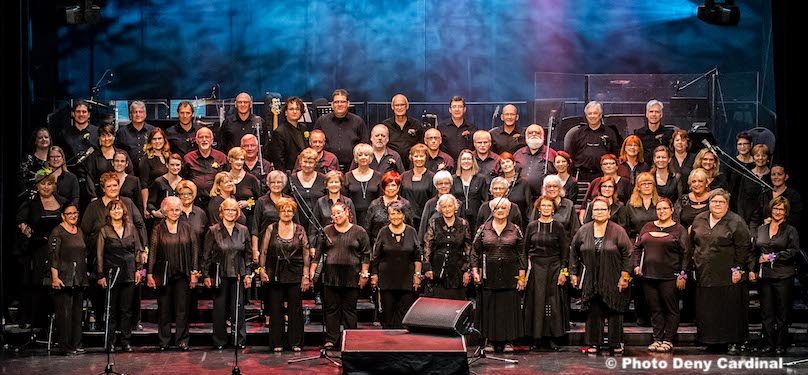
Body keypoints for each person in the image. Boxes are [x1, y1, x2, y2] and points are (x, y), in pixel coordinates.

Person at [689, 189, 752, 355]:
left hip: (728, 273)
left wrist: (738, 269)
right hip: (705, 272)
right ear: (709, 203)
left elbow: (744, 247)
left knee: (729, 309)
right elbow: (692, 243)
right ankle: (712, 341)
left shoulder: (736, 221)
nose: (717, 205)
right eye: (714, 201)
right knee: (708, 309)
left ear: (727, 204)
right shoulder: (699, 219)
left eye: (721, 202)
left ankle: (733, 342)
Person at [570, 196, 632, 354]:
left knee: (614, 310)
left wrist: (625, 277)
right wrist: (573, 273)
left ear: (609, 212)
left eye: (602, 209)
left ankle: (615, 343)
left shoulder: (618, 230)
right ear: (591, 212)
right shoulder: (584, 230)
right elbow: (574, 252)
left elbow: (628, 254)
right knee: (593, 310)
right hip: (591, 278)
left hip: (613, 277)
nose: (599, 212)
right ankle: (593, 343)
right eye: (596, 209)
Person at [309, 202, 370, 349]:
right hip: (331, 277)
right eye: (333, 214)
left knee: (349, 310)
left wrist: (364, 274)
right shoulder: (326, 230)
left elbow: (366, 255)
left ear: (347, 212)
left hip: (351, 276)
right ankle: (331, 339)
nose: (336, 216)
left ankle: (351, 338)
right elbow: (318, 253)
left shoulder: (359, 231)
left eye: (339, 213)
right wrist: (312, 269)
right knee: (331, 309)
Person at [632, 198, 690, 353]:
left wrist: (683, 274)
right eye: (659, 209)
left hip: (670, 276)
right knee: (655, 309)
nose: (662, 211)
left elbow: (686, 254)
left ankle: (668, 339)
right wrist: (636, 265)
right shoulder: (647, 226)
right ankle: (657, 339)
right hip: (649, 276)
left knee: (670, 309)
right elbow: (637, 248)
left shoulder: (679, 229)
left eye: (665, 208)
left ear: (672, 210)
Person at [471, 198, 525, 353]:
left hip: (510, 276)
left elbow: (522, 254)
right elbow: (474, 252)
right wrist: (475, 271)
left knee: (508, 308)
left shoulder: (515, 229)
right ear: (492, 211)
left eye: (503, 208)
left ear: (508, 211)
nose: (500, 210)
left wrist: (521, 278)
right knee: (489, 308)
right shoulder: (483, 229)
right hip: (489, 276)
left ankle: (508, 340)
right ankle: (490, 341)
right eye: (497, 208)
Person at [147, 196, 200, 351]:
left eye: (177, 209)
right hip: (163, 274)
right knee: (164, 308)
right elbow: (153, 251)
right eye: (171, 209)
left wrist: (194, 272)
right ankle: (164, 340)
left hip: (183, 274)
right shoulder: (158, 228)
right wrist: (149, 273)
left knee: (182, 309)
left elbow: (195, 250)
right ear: (164, 210)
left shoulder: (187, 227)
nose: (175, 212)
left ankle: (182, 340)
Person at [260, 197, 311, 352]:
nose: (286, 213)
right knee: (276, 310)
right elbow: (264, 251)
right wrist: (261, 269)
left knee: (295, 310)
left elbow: (306, 253)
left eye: (289, 210)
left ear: (293, 212)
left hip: (295, 273)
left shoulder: (300, 229)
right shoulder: (271, 228)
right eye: (283, 210)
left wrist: (306, 275)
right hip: (275, 271)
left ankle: (295, 342)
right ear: (279, 212)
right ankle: (277, 343)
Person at [16, 171, 66, 330]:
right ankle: (36, 321)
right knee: (38, 284)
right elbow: (21, 223)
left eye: (49, 183)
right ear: (37, 186)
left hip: (59, 249)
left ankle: (56, 323)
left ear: (54, 185)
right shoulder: (31, 203)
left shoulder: (62, 202)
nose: (46, 186)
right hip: (38, 249)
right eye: (43, 183)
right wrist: (34, 235)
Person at [95, 199, 145, 352]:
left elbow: (137, 250)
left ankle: (125, 341)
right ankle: (110, 341)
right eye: (113, 209)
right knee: (111, 309)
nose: (116, 211)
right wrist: (101, 275)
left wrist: (138, 269)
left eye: (119, 209)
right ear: (109, 213)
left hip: (129, 273)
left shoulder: (131, 228)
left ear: (124, 211)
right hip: (112, 274)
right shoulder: (104, 230)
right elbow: (100, 254)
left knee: (126, 310)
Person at [202, 198, 252, 350]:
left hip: (238, 273)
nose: (230, 213)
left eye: (233, 210)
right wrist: (205, 275)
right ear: (221, 212)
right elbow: (206, 255)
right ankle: (220, 341)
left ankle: (239, 339)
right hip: (220, 274)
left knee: (238, 307)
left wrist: (248, 274)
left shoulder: (243, 230)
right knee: (220, 308)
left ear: (238, 213)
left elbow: (248, 255)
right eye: (227, 210)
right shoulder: (213, 230)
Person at [752, 196, 800, 355]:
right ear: (771, 209)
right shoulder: (761, 229)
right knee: (766, 311)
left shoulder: (790, 230)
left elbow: (793, 251)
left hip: (783, 276)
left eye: (781, 209)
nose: (778, 212)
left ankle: (781, 343)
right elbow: (755, 251)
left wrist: (772, 257)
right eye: (776, 208)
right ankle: (768, 343)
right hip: (765, 276)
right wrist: (753, 268)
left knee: (782, 311)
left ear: (786, 212)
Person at [523, 195, 569, 351]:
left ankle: (551, 338)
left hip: (554, 267)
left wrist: (564, 272)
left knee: (552, 303)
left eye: (549, 206)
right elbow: (524, 251)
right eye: (544, 206)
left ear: (553, 208)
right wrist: (523, 273)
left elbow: (565, 252)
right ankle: (536, 338)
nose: (546, 208)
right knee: (536, 302)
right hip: (536, 267)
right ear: (539, 208)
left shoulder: (559, 227)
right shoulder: (532, 226)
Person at [370, 201, 422, 329]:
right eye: (392, 214)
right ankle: (388, 343)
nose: (395, 217)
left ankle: (403, 343)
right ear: (388, 216)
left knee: (405, 312)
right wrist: (374, 274)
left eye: (399, 214)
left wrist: (417, 275)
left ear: (404, 215)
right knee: (387, 311)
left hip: (406, 279)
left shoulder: (411, 231)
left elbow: (417, 256)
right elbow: (376, 256)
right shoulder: (383, 231)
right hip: (387, 279)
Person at [48, 203, 88, 355]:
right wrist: (55, 277)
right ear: (63, 216)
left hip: (78, 277)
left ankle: (76, 343)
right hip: (63, 277)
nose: (73, 215)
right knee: (64, 314)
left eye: (75, 213)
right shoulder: (57, 232)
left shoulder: (79, 231)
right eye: (69, 213)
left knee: (77, 313)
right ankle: (65, 346)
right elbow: (54, 256)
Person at [423, 194, 472, 300]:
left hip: (457, 272)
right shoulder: (434, 223)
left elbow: (468, 248)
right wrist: (427, 267)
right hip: (437, 272)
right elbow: (428, 246)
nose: (447, 209)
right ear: (440, 209)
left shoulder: (463, 224)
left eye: (450, 206)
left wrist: (467, 271)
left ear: (455, 207)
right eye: (444, 207)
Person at [314, 89, 369, 170]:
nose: (339, 104)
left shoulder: (358, 121)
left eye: (342, 102)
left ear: (348, 104)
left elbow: (365, 144)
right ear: (332, 104)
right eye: (336, 102)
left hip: (352, 167)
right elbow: (314, 143)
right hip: (326, 167)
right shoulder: (322, 121)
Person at [568, 101, 622, 183]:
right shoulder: (578, 133)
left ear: (600, 115)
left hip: (604, 175)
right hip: (581, 176)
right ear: (586, 116)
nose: (592, 116)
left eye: (595, 113)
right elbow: (571, 155)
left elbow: (615, 154)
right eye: (589, 114)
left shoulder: (610, 132)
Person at [363, 171, 414, 249]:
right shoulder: (374, 204)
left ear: (398, 186)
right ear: (383, 187)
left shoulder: (405, 204)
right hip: (378, 249)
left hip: (402, 248)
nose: (390, 188)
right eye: (387, 185)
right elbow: (367, 230)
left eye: (393, 185)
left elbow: (410, 229)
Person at [252, 170, 293, 262]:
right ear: (268, 184)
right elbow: (255, 228)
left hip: (286, 246)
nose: (276, 185)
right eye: (272, 182)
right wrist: (255, 250)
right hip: (265, 246)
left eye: (279, 182)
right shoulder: (261, 201)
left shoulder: (290, 200)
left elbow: (297, 225)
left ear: (284, 184)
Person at [84, 124, 131, 200]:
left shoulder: (122, 154)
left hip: (122, 196)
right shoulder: (93, 156)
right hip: (100, 196)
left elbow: (130, 173)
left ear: (114, 137)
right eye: (103, 136)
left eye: (109, 135)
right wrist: (93, 196)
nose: (106, 139)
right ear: (99, 138)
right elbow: (89, 178)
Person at [183, 126, 227, 206]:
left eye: (207, 137)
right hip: (194, 202)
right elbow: (183, 180)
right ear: (196, 140)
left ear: (212, 140)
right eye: (201, 137)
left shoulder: (221, 157)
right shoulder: (188, 158)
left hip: (216, 201)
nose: (204, 140)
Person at [289, 148, 327, 236]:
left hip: (319, 223)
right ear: (300, 162)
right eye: (305, 161)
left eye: (310, 162)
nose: (307, 165)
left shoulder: (323, 179)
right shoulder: (291, 179)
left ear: (315, 164)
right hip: (296, 222)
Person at [219, 92, 269, 157]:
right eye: (240, 102)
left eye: (245, 102)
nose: (242, 104)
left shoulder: (259, 121)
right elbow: (222, 145)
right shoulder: (228, 122)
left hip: (253, 164)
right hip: (233, 164)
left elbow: (265, 145)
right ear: (235, 104)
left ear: (250, 104)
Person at [514, 124, 557, 196]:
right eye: (530, 133)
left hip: (544, 199)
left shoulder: (551, 154)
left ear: (543, 136)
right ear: (526, 137)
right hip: (521, 198)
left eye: (537, 133)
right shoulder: (518, 154)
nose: (534, 134)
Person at [382, 93, 424, 169]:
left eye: (402, 105)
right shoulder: (385, 125)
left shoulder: (416, 124)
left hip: (413, 164)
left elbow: (422, 144)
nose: (399, 108)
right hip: (390, 165)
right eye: (397, 105)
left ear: (407, 106)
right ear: (392, 107)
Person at [400, 144, 435, 231]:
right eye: (416, 156)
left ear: (426, 157)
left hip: (425, 219)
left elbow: (434, 200)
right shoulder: (404, 176)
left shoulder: (432, 177)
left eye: (421, 156)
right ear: (411, 157)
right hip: (405, 220)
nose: (419, 159)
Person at [452, 149, 489, 230]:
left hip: (477, 217)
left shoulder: (481, 179)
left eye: (469, 159)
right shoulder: (453, 179)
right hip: (458, 218)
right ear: (459, 161)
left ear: (473, 161)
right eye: (464, 159)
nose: (466, 161)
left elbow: (485, 199)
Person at [227, 147, 262, 230]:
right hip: (228, 220)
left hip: (248, 221)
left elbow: (259, 200)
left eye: (242, 159)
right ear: (230, 160)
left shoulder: (251, 179)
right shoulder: (225, 177)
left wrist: (247, 203)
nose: (239, 162)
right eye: (236, 159)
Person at [535, 175, 580, 241]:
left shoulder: (569, 204)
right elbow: (532, 225)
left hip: (564, 243)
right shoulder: (539, 203)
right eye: (549, 186)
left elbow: (575, 228)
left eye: (555, 186)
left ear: (560, 189)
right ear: (545, 189)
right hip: (541, 243)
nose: (552, 189)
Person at [269, 96, 308, 172]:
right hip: (288, 173)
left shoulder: (303, 128)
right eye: (291, 109)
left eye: (297, 109)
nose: (294, 112)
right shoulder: (279, 132)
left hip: (305, 171)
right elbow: (278, 160)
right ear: (286, 112)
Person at [418, 171, 460, 242]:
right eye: (440, 183)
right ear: (436, 186)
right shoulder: (430, 204)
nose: (443, 186)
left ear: (451, 185)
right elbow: (423, 228)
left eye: (446, 183)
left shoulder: (458, 204)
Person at [736, 144, 770, 229]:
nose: (760, 158)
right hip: (749, 219)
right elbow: (741, 200)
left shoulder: (772, 176)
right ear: (753, 158)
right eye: (757, 155)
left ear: (768, 158)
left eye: (764, 155)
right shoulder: (747, 175)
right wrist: (742, 220)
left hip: (768, 219)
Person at [345, 143, 382, 221]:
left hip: (374, 217)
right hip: (353, 217)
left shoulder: (378, 176)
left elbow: (381, 198)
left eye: (366, 155)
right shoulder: (348, 176)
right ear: (355, 158)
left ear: (371, 158)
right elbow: (345, 199)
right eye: (360, 155)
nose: (363, 157)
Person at [138, 128, 171, 214]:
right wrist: (145, 207)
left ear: (164, 140)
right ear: (150, 141)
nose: (157, 141)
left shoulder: (168, 156)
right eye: (154, 139)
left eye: (159, 138)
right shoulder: (146, 159)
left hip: (168, 199)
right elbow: (144, 185)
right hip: (153, 202)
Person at [495, 152, 532, 226]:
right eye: (503, 163)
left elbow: (529, 206)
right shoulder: (497, 183)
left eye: (508, 161)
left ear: (514, 163)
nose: (506, 164)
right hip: (499, 223)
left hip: (520, 223)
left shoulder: (524, 183)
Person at [115, 100, 155, 168]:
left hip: (150, 171)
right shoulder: (121, 132)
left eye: (140, 112)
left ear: (145, 114)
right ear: (130, 115)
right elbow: (117, 153)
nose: (138, 114)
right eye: (135, 112)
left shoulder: (153, 131)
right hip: (128, 172)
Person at [438, 95, 477, 161]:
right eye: (454, 107)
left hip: (466, 164)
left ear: (464, 109)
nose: (457, 109)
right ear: (450, 110)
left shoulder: (472, 127)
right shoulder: (441, 127)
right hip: (447, 164)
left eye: (460, 107)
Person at [147, 153, 183, 219]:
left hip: (180, 220)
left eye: (178, 165)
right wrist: (154, 213)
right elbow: (150, 202)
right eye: (172, 165)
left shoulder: (183, 183)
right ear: (167, 165)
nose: (175, 168)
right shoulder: (159, 182)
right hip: (162, 220)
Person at [113, 150, 145, 220]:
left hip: (129, 218)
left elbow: (139, 204)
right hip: (110, 217)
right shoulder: (107, 179)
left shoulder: (134, 180)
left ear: (127, 164)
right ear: (112, 163)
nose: (119, 163)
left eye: (122, 161)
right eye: (117, 161)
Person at [18, 128, 51, 193]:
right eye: (40, 137)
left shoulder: (55, 158)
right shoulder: (28, 159)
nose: (44, 139)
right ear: (35, 141)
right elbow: (22, 181)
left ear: (50, 140)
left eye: (46, 137)